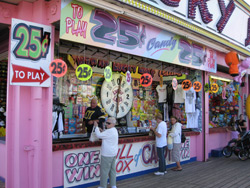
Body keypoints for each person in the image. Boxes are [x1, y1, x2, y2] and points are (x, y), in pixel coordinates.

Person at [94, 117, 118, 188]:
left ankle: (103, 186)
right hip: (113, 153)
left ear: (113, 124)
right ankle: (113, 185)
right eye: (106, 123)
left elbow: (99, 135)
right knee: (112, 170)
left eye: (108, 123)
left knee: (104, 171)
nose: (106, 124)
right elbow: (105, 134)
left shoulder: (109, 131)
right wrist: (101, 130)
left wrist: (96, 127)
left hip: (107, 154)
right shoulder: (114, 130)